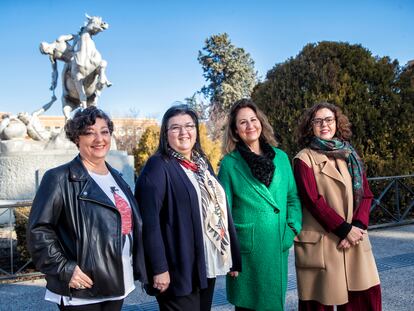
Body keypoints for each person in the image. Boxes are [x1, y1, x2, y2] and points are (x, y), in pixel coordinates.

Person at [27, 106, 147, 311]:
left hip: (118, 282)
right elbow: (38, 231)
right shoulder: (59, 178)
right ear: (77, 139)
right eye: (89, 133)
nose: (99, 139)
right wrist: (64, 268)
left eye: (104, 132)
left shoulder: (116, 177)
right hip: (82, 290)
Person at [135, 104, 241, 311]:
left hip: (204, 264)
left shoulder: (202, 164)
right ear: (166, 134)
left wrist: (231, 255)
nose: (184, 132)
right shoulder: (158, 166)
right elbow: (149, 222)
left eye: (189, 126)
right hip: (177, 269)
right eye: (175, 127)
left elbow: (218, 209)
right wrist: (159, 268)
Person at [293, 102, 381, 310]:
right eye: (318, 121)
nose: (324, 125)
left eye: (329, 120)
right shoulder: (303, 158)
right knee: (319, 301)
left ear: (337, 123)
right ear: (310, 126)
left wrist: (357, 227)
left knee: (364, 297)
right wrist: (344, 230)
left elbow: (366, 194)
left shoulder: (349, 153)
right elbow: (312, 200)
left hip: (355, 238)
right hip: (325, 241)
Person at [218, 98, 302, 311]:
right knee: (248, 305)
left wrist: (291, 229)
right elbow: (221, 213)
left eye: (253, 119)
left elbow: (293, 198)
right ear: (236, 131)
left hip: (276, 244)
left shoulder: (281, 158)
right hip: (246, 251)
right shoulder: (229, 164)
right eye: (243, 122)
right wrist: (229, 255)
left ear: (261, 123)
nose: (250, 126)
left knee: (272, 303)